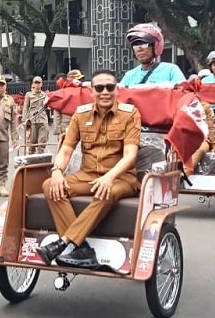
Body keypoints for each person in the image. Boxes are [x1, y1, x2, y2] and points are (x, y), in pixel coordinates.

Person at [36, 70, 141, 267]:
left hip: (121, 178)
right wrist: (57, 171)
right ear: (91, 91)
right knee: (50, 185)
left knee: (106, 190)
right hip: (87, 175)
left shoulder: (130, 114)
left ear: (117, 90)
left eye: (110, 87)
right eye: (99, 88)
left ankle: (63, 243)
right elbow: (67, 149)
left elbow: (130, 155)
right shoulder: (81, 114)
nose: (105, 92)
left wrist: (109, 177)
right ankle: (82, 249)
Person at [121, 23, 185, 86]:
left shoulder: (170, 70)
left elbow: (183, 90)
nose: (139, 50)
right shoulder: (130, 76)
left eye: (144, 45)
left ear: (155, 46)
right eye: (136, 46)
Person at [54, 69, 83, 142]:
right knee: (66, 146)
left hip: (81, 125)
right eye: (78, 79)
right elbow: (57, 112)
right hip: (66, 125)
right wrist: (58, 131)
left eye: (80, 79)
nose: (80, 81)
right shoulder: (62, 92)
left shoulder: (82, 91)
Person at [22, 76, 49, 154]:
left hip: (43, 121)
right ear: (33, 84)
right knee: (31, 143)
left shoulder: (44, 95)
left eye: (39, 83)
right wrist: (25, 120)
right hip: (32, 121)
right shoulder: (29, 95)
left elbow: (48, 107)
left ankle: (40, 157)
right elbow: (25, 107)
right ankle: (31, 158)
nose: (37, 85)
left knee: (42, 143)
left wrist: (48, 97)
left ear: (41, 84)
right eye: (35, 83)